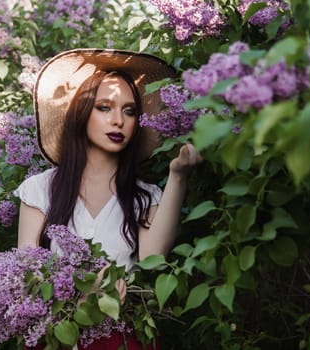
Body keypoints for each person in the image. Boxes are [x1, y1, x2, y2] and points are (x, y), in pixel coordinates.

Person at [14, 48, 202, 350]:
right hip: (58, 337)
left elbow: (153, 258)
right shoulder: (39, 190)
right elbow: (24, 276)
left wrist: (178, 176)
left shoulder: (144, 197)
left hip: (122, 337)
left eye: (129, 111)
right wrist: (78, 299)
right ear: (81, 112)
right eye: (104, 108)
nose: (118, 120)